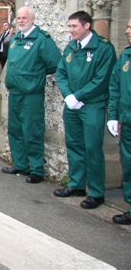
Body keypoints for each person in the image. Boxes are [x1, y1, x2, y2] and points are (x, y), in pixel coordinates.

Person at [55, 11, 117, 209]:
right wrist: (68, 96)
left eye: (74, 26)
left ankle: (96, 192)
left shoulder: (104, 48)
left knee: (92, 148)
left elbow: (102, 79)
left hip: (92, 105)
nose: (70, 30)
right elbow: (61, 72)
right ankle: (76, 184)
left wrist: (79, 96)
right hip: (72, 104)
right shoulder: (71, 47)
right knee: (74, 144)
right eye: (69, 26)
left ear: (87, 25)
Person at [2, 6, 61, 182]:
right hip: (15, 92)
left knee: (32, 130)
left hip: (31, 94)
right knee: (15, 129)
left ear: (33, 19)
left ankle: (36, 169)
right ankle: (20, 164)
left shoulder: (41, 39)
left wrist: (34, 76)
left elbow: (55, 63)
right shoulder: (15, 39)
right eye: (18, 18)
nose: (20, 21)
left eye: (24, 18)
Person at [108, 18, 131, 225]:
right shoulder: (125, 56)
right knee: (129, 163)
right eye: (127, 27)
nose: (127, 31)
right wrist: (113, 116)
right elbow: (115, 88)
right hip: (127, 120)